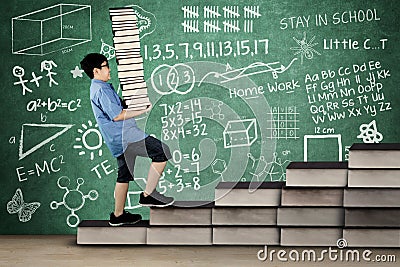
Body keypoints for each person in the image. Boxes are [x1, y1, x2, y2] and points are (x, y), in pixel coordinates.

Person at [80, 53, 174, 226]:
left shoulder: (100, 87)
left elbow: (117, 107)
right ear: (96, 70)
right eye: (105, 65)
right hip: (126, 136)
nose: (109, 69)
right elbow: (117, 115)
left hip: (117, 139)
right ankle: (148, 195)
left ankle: (118, 215)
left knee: (124, 175)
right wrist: (143, 110)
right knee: (162, 151)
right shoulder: (100, 89)